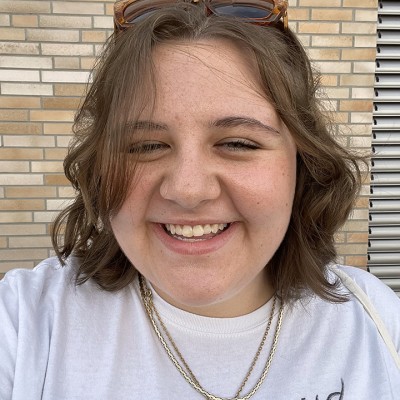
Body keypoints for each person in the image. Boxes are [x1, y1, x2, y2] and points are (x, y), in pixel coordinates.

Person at [1, 0, 399, 399]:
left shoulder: (376, 322)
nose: (188, 190)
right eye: (146, 146)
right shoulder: (26, 325)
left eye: (238, 143)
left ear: (304, 162)